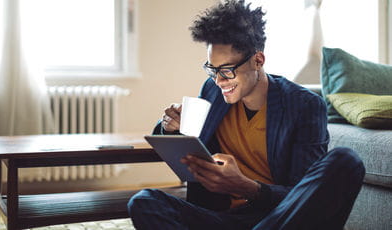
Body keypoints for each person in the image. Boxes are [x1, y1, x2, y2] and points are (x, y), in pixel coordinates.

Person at [127, 1, 365, 229]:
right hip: (222, 218)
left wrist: (246, 186)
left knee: (346, 161)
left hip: (278, 218)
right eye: (212, 70)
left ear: (258, 60)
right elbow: (189, 144)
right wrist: (169, 127)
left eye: (227, 70)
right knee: (145, 201)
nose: (219, 81)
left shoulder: (304, 105)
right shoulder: (212, 90)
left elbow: (302, 194)